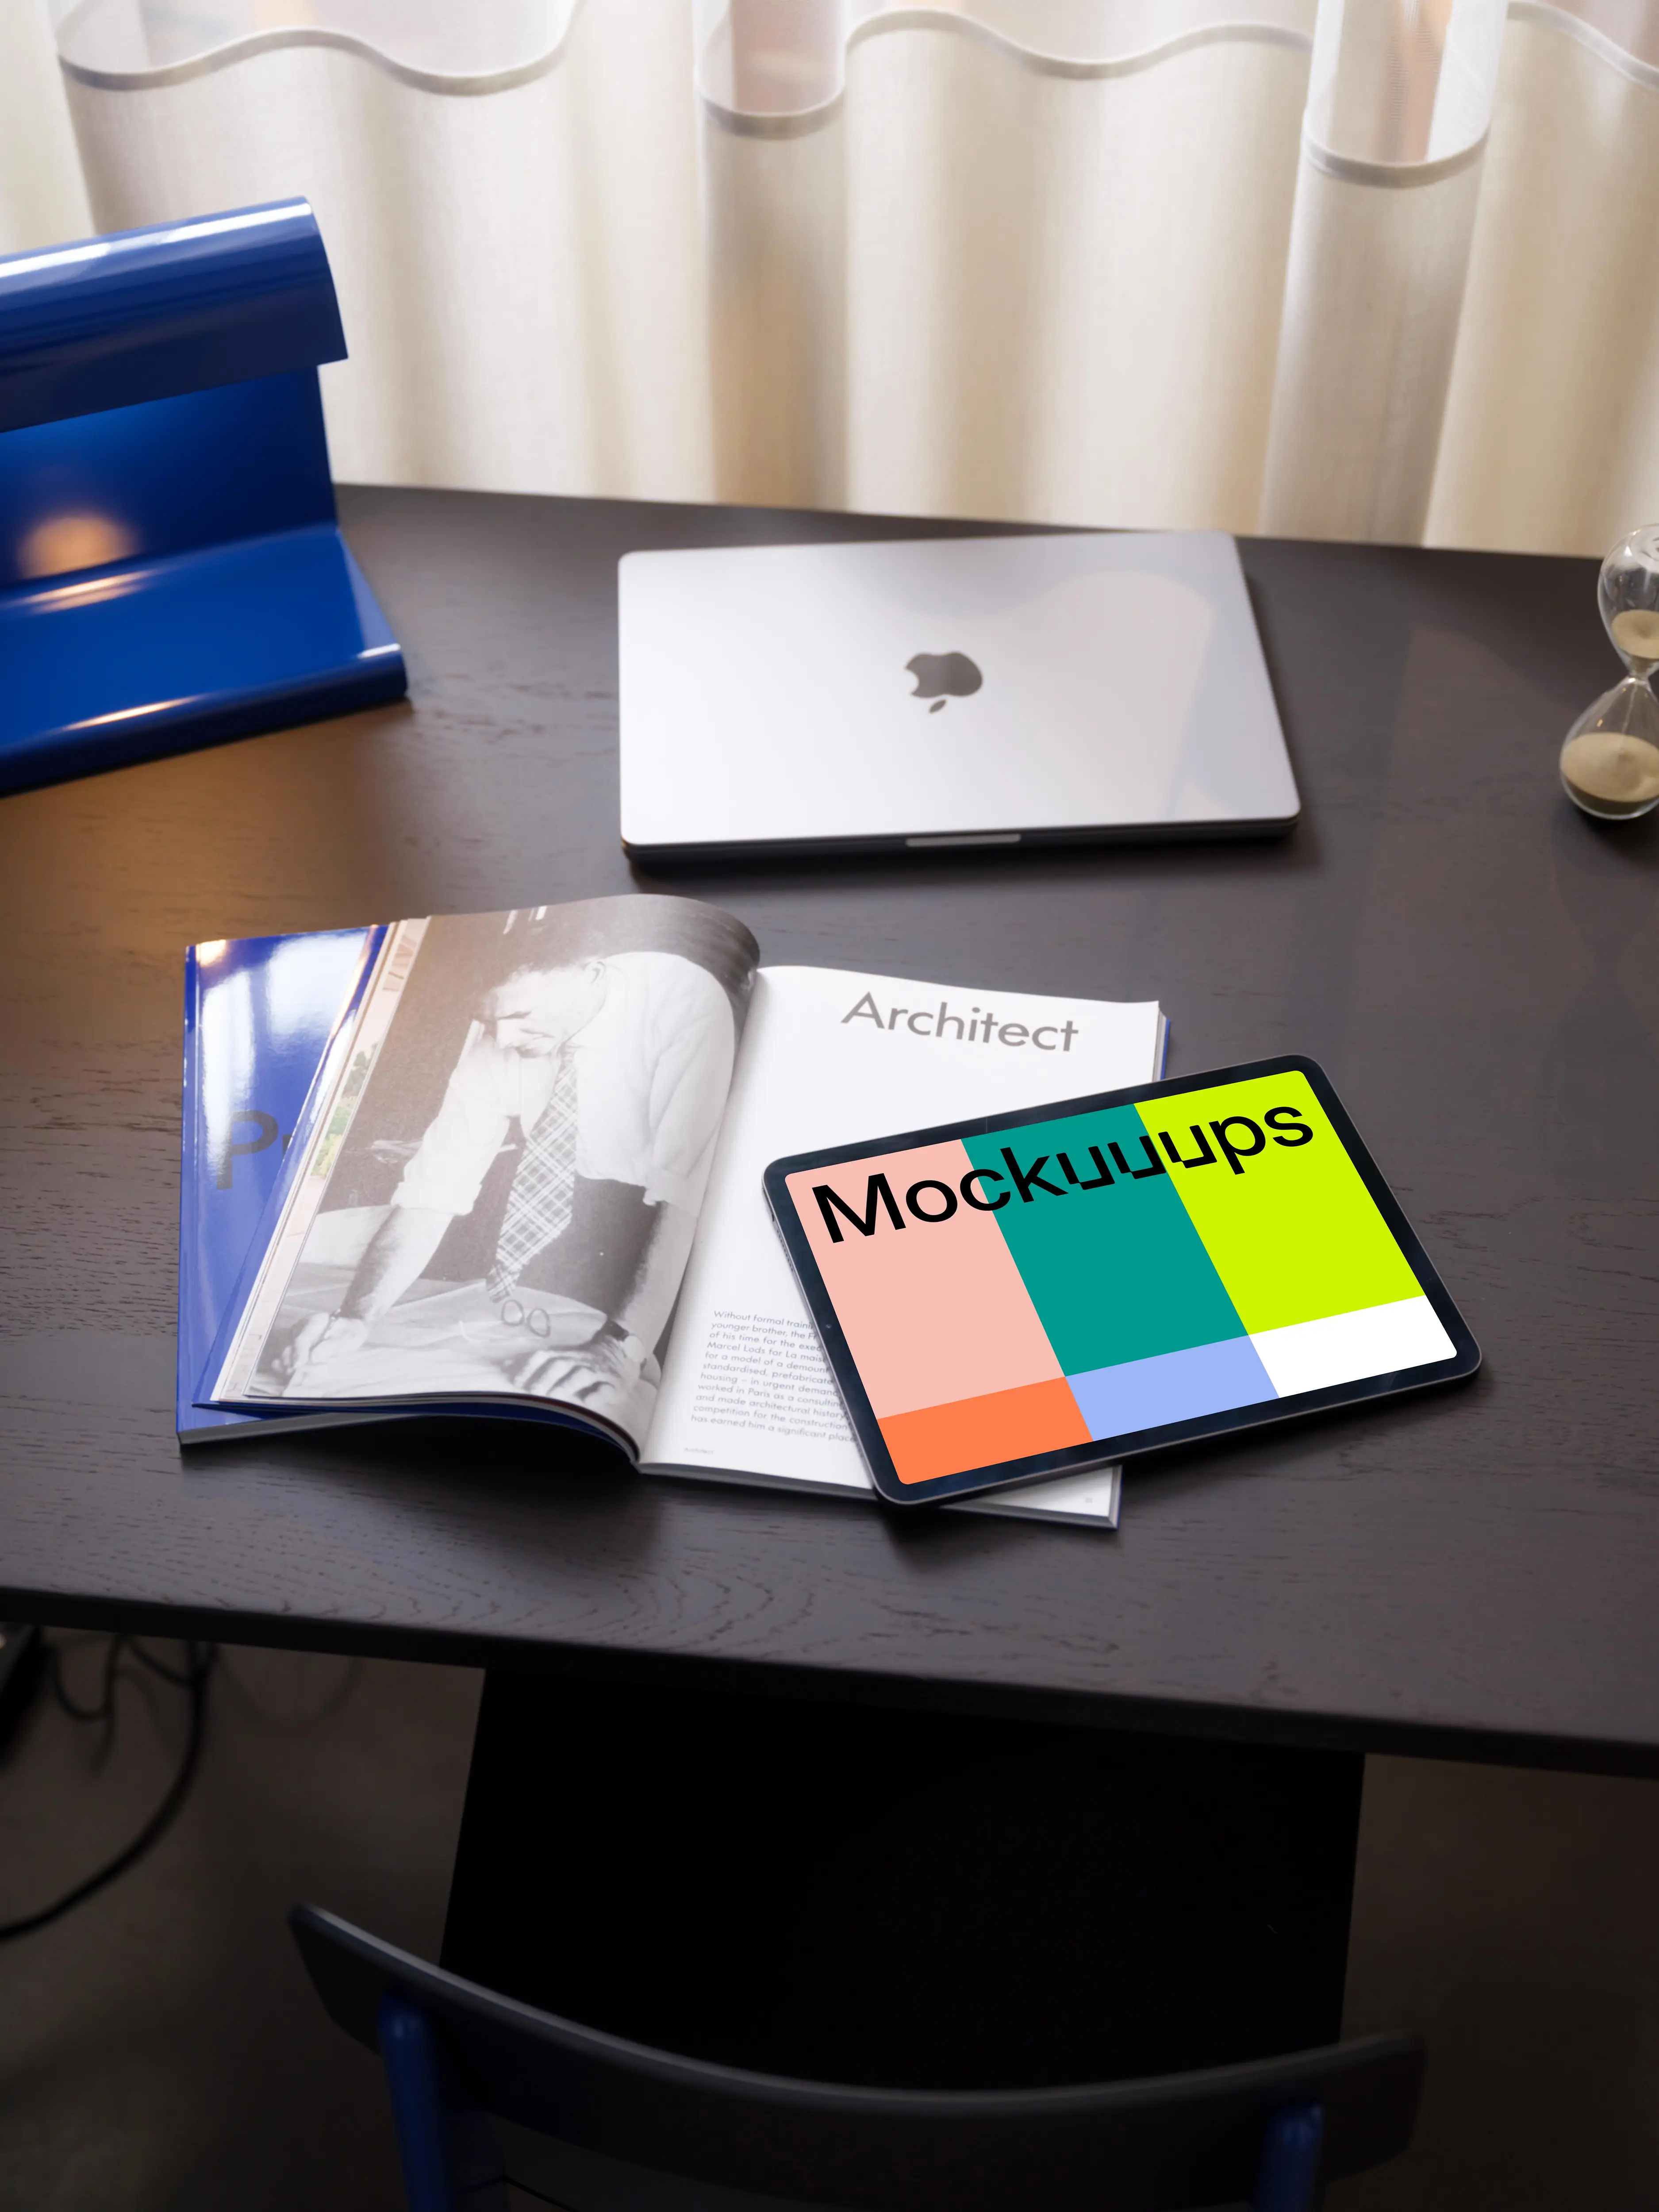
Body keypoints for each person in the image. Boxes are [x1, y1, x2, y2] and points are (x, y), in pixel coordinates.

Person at [275, 946, 735, 1423]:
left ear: (591, 974)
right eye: (489, 1020)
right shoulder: (500, 1035)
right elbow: (434, 1188)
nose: (503, 1037)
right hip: (582, 1204)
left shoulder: (684, 1000)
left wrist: (620, 1349)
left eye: (519, 1014)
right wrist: (356, 1317)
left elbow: (685, 1198)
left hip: (693, 1216)